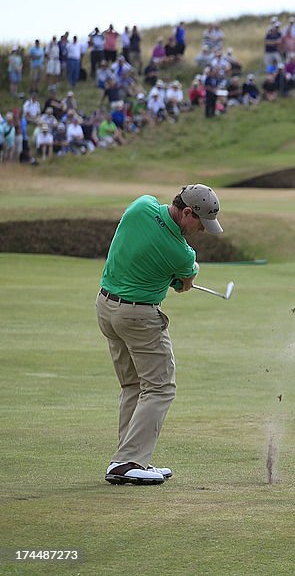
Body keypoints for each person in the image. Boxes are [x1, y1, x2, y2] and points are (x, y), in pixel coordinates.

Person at [97, 184, 224, 485]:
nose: (202, 231)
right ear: (187, 212)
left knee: (132, 385)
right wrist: (181, 279)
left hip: (105, 307)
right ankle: (129, 461)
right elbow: (184, 283)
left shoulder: (141, 206)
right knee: (160, 388)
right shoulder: (181, 253)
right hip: (138, 317)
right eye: (200, 223)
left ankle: (126, 460)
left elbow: (138, 243)